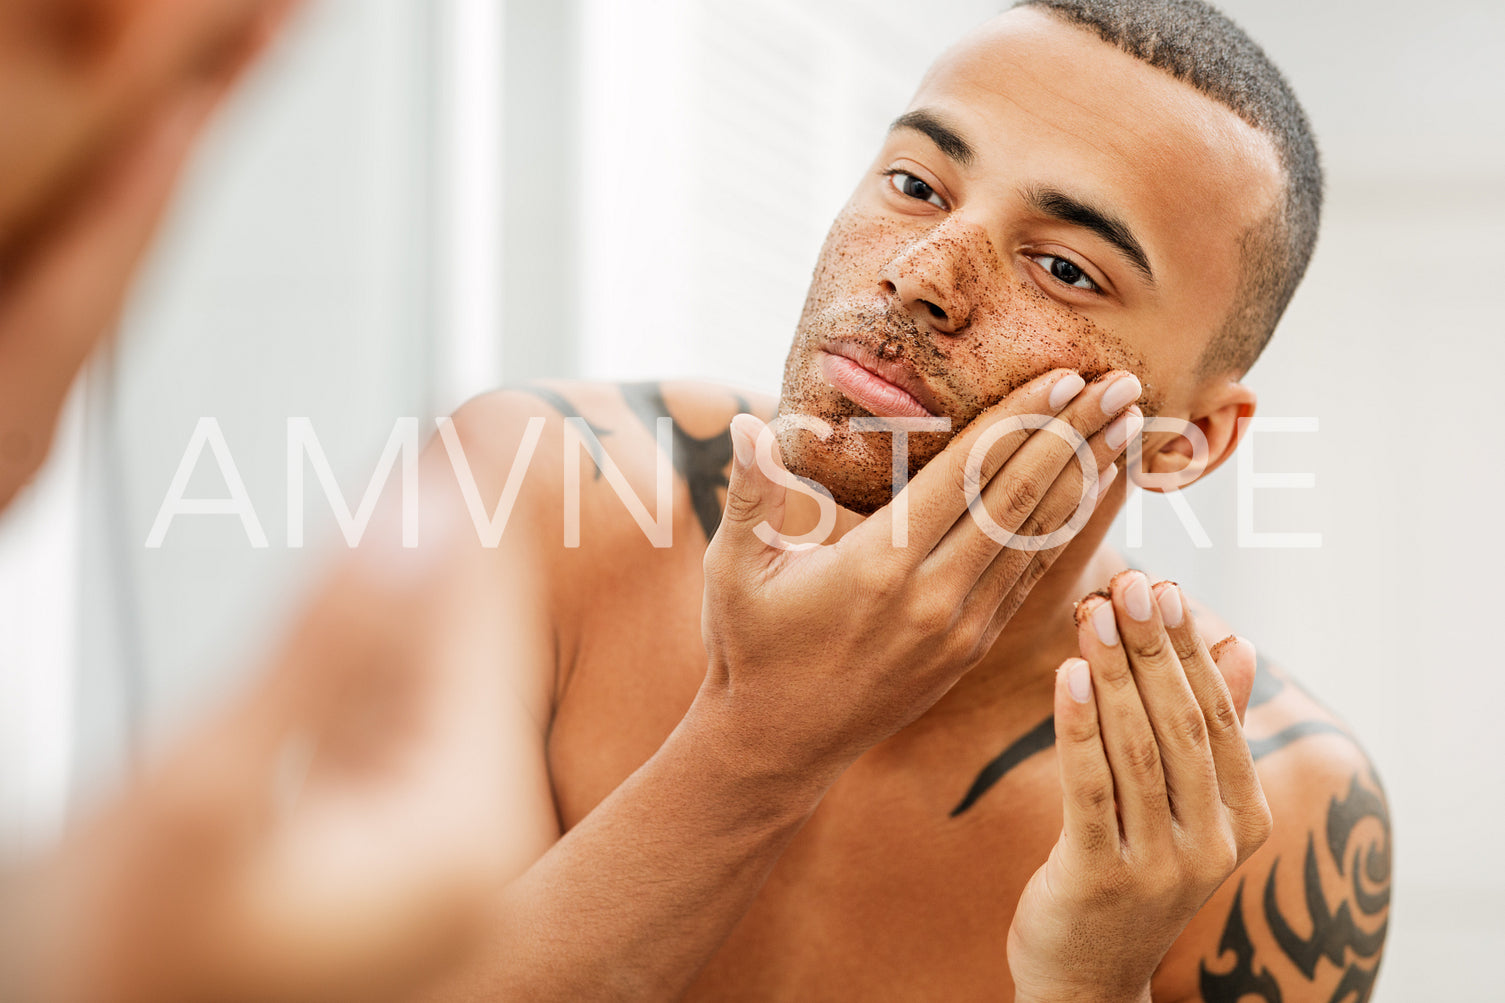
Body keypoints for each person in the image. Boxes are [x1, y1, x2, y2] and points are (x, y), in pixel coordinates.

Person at [413, 1, 1390, 1000]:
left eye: (1061, 268)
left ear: (1184, 440)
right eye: (917, 185)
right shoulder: (531, 499)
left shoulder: (1268, 809)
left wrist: (1088, 985)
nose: (918, 274)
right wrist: (758, 740)